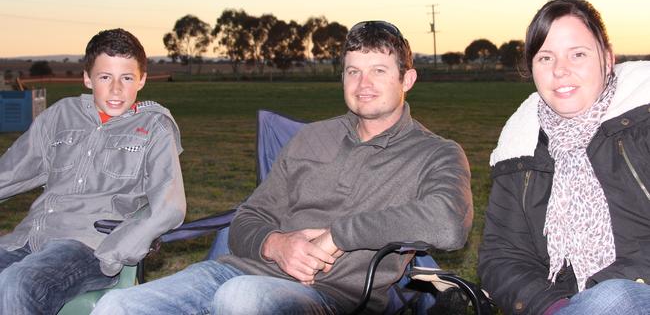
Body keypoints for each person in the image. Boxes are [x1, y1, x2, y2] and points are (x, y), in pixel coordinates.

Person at [91, 20, 473, 315]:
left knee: (241, 298)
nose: (363, 84)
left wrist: (338, 236)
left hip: (327, 296)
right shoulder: (311, 138)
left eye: (378, 71)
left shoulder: (435, 153)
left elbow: (449, 224)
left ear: (407, 79)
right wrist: (276, 244)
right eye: (353, 70)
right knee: (115, 307)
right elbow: (248, 219)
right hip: (237, 271)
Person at [478, 0, 650, 315]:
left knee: (615, 298)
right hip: (575, 307)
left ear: (607, 59)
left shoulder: (642, 121)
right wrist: (552, 306)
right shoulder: (519, 149)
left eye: (578, 54)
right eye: (546, 58)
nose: (560, 70)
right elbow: (503, 256)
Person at [0, 28, 186, 314]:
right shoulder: (61, 115)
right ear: (88, 78)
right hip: (31, 235)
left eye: (127, 78)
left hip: (88, 246)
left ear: (142, 80)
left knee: (18, 283)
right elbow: (11, 171)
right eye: (105, 77)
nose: (116, 90)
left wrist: (118, 251)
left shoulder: (153, 128)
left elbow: (170, 207)